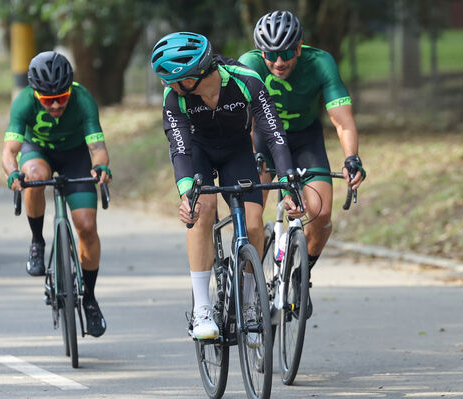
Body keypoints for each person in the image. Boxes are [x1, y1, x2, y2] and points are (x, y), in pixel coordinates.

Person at [151, 32, 301, 340]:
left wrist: (287, 184)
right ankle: (202, 308)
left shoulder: (245, 80)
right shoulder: (175, 97)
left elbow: (273, 134)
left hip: (237, 152)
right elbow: (180, 148)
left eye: (173, 79)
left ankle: (248, 304)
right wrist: (186, 196)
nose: (168, 85)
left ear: (193, 76)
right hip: (199, 154)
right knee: (202, 210)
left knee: (254, 224)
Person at [239, 10, 366, 281]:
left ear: (299, 47)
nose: (279, 62)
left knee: (320, 214)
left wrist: (351, 158)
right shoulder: (248, 64)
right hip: (263, 142)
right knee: (251, 220)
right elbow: (243, 124)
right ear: (261, 53)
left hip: (304, 139)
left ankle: (298, 278)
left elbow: (342, 121)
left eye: (286, 52)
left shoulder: (320, 63)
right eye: (271, 55)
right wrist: (249, 156)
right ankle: (249, 289)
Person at [1, 51, 111, 337]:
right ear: (36, 94)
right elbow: (10, 150)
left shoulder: (83, 98)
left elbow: (97, 147)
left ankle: (89, 297)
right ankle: (37, 241)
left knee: (87, 227)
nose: (56, 105)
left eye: (62, 97)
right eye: (48, 100)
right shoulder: (24, 101)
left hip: (75, 156)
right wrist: (13, 172)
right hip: (37, 151)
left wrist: (100, 166)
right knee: (34, 178)